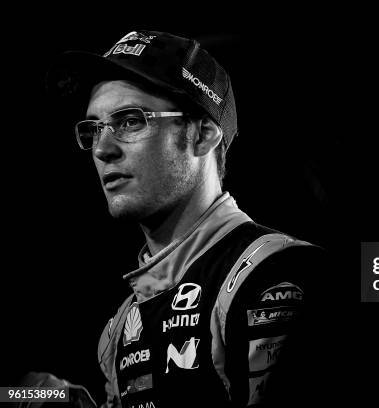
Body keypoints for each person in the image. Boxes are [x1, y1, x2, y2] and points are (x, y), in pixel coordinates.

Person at [45, 30, 324, 407]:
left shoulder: (273, 273)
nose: (103, 149)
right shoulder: (121, 325)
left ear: (203, 133)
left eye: (129, 121)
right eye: (93, 129)